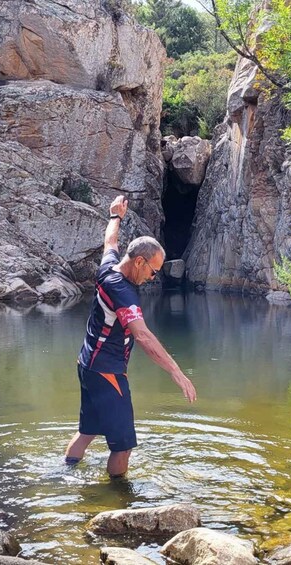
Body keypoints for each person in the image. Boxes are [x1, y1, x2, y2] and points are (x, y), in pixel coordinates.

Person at [64, 195, 197, 478]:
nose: (153, 277)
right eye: (153, 271)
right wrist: (176, 372)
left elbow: (110, 242)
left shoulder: (108, 267)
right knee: (123, 447)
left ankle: (65, 475)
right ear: (139, 262)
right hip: (106, 371)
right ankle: (119, 501)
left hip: (87, 364)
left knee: (87, 432)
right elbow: (144, 336)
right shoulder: (123, 293)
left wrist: (115, 216)